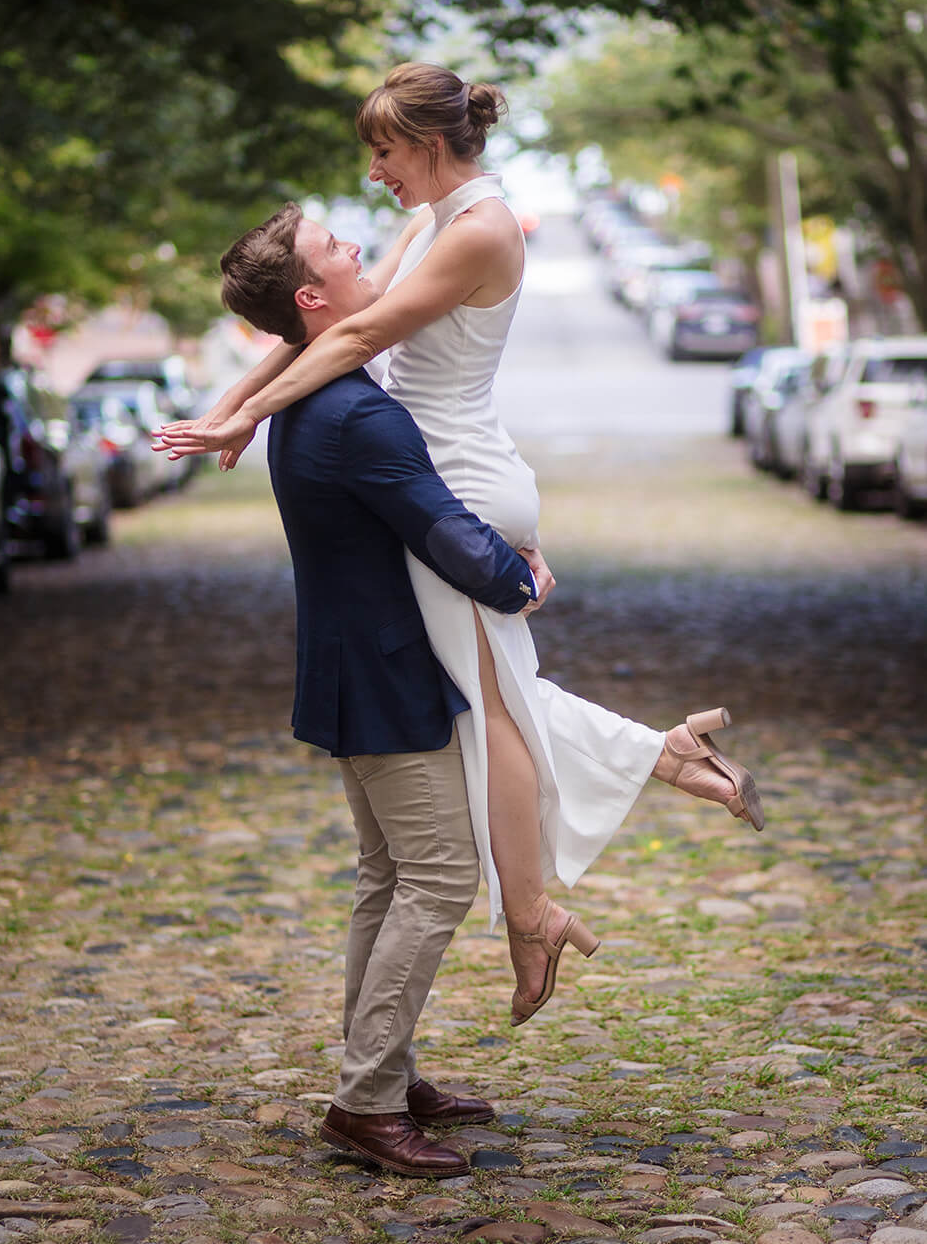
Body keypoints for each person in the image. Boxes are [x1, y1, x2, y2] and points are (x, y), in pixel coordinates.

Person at [157, 63, 764, 1027]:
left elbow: (351, 342)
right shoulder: (434, 222)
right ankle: (663, 757)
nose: (373, 173)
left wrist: (247, 420)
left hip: (453, 481)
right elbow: (319, 323)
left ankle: (530, 916)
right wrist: (229, 412)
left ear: (428, 145)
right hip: (452, 476)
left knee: (494, 714)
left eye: (383, 151)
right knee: (502, 695)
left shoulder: (477, 228)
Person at [217, 200, 547, 1175]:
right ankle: (362, 1100)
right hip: (388, 672)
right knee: (440, 874)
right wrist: (518, 575)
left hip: (352, 666)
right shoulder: (356, 412)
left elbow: (391, 269)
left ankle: (385, 1071)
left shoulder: (317, 394)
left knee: (389, 877)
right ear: (313, 296)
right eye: (334, 246)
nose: (358, 245)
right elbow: (438, 525)